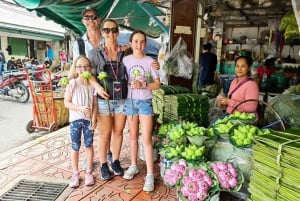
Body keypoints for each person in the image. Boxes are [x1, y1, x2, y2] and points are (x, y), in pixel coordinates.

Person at [88, 19, 160, 181]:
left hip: (122, 99)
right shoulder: (95, 53)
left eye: (114, 30)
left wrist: (155, 65)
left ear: (118, 33)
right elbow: (88, 73)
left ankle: (115, 161)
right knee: (105, 133)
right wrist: (98, 88)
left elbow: (140, 59)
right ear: (102, 32)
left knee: (119, 131)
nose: (110, 33)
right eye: (106, 30)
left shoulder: (124, 52)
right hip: (104, 99)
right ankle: (104, 165)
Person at [122, 30, 160, 192]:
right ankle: (133, 165)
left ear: (145, 44)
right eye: (136, 41)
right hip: (129, 102)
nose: (139, 44)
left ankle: (150, 174)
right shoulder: (125, 60)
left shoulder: (150, 61)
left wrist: (143, 85)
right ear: (131, 44)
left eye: (142, 41)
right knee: (131, 136)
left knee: (146, 139)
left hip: (145, 102)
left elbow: (157, 84)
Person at [64, 55, 98, 188]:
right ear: (76, 69)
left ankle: (88, 172)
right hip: (75, 120)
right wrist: (80, 108)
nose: (83, 69)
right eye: (79, 66)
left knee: (89, 145)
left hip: (88, 121)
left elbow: (95, 104)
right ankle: (75, 173)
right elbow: (67, 103)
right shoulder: (72, 83)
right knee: (75, 146)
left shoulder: (93, 85)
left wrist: (94, 118)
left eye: (86, 66)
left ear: (90, 68)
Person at [68, 6, 102, 79]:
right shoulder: (78, 44)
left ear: (99, 20)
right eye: (86, 18)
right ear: (83, 21)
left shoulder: (108, 38)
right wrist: (67, 82)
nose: (90, 20)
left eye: (94, 17)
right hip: (88, 84)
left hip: (108, 83)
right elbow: (76, 65)